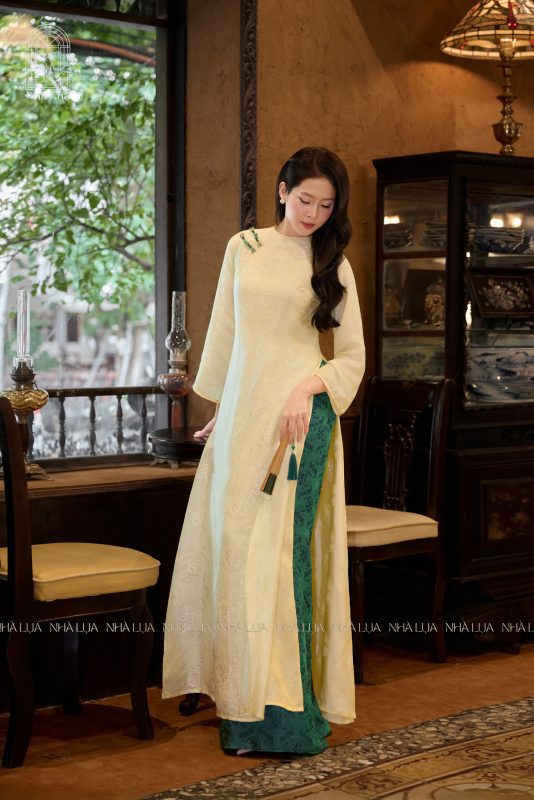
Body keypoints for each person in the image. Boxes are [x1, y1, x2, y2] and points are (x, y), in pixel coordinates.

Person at [163, 147, 366, 755]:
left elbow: (351, 356)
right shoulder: (243, 247)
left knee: (277, 562)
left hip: (299, 423)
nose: (313, 213)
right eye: (305, 199)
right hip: (243, 420)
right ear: (282, 191)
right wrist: (223, 409)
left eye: (326, 205)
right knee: (234, 554)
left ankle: (285, 717)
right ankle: (241, 708)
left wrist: (306, 388)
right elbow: (227, 336)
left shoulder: (333, 263)